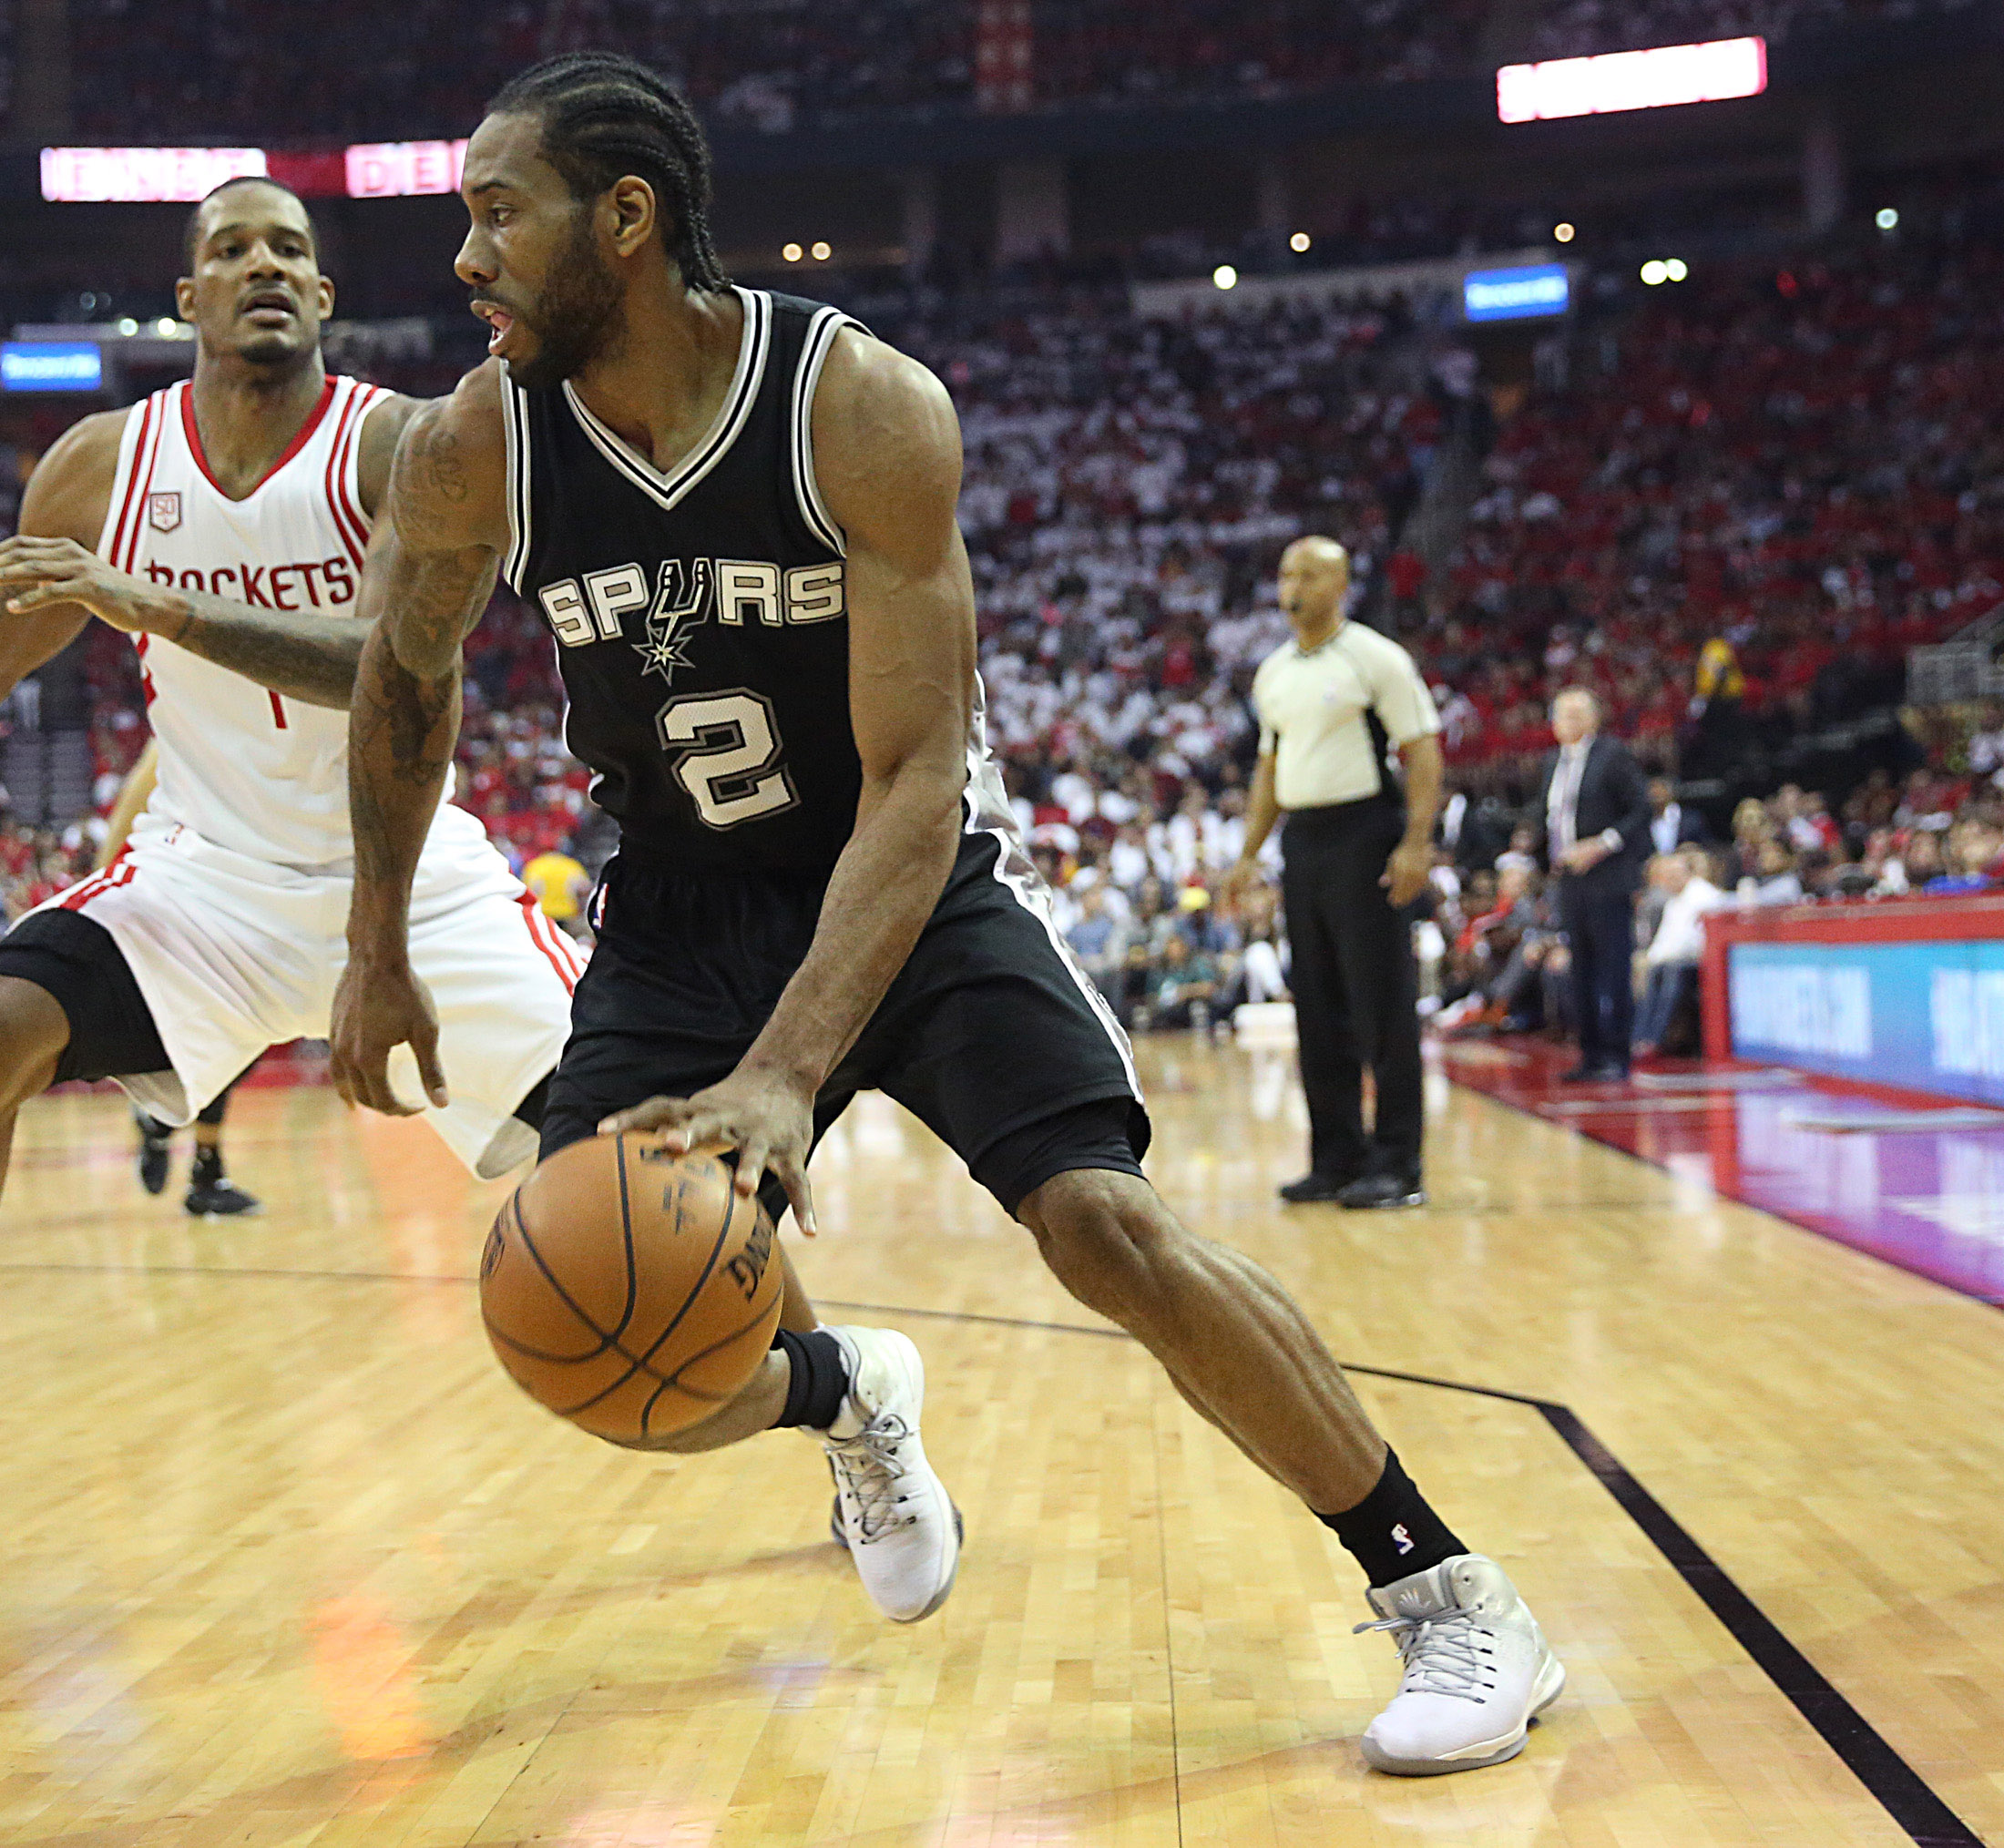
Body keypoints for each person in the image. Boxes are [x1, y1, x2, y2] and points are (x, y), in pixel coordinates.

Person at [328, 53, 1559, 1778]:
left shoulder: (855, 404)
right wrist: (375, 940)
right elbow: (400, 683)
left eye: (494, 213)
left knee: (1101, 1227)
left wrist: (785, 1074)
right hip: (677, 906)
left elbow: (916, 779)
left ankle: (1452, 1591)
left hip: (897, 879)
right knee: (598, 1336)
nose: (463, 257)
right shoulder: (478, 444)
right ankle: (854, 1402)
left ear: (626, 218)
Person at [0, 173, 577, 1520]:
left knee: (654, 1171)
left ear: (323, 297)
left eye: (289, 250)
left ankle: (845, 1406)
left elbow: (389, 665)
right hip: (210, 884)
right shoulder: (101, 466)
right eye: (231, 247)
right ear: (187, 298)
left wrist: (156, 609)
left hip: (411, 886)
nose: (262, 264)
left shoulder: (402, 446)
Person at [1222, 537, 1445, 1210]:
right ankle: (1336, 1155)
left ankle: (1398, 1163)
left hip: (1366, 831)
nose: (1294, 584)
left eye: (1309, 573)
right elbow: (1269, 769)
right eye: (1287, 572)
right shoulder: (1274, 672)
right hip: (1306, 840)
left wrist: (1415, 841)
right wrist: (1248, 852)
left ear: (1340, 584)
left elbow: (1423, 751)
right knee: (1316, 1004)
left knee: (1380, 1001)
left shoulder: (1375, 658)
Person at [100, 739, 264, 1217]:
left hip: (244, 903)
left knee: (243, 1040)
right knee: (219, 1039)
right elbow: (123, 825)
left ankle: (169, 1131)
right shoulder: (177, 740)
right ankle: (198, 1161)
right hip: (181, 904)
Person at [1538, 688, 1649, 1081]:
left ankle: (1617, 1055)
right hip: (1568, 880)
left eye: (1574, 712)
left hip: (1607, 877)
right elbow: (1548, 820)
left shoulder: (1612, 755)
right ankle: (1589, 1055)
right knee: (1578, 968)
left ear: (1592, 718)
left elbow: (1640, 810)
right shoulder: (1551, 762)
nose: (1565, 720)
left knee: (1613, 967)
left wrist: (1601, 845)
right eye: (1560, 713)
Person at [1633, 848, 1720, 1057]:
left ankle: (1655, 1039)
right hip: (1676, 959)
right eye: (1666, 876)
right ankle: (1639, 1037)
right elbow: (1663, 939)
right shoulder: (1673, 902)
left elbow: (1693, 941)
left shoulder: (1704, 895)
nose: (1668, 881)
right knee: (1654, 969)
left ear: (1687, 874)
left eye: (1673, 875)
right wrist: (1651, 959)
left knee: (1671, 969)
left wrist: (1659, 959)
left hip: (1702, 959)